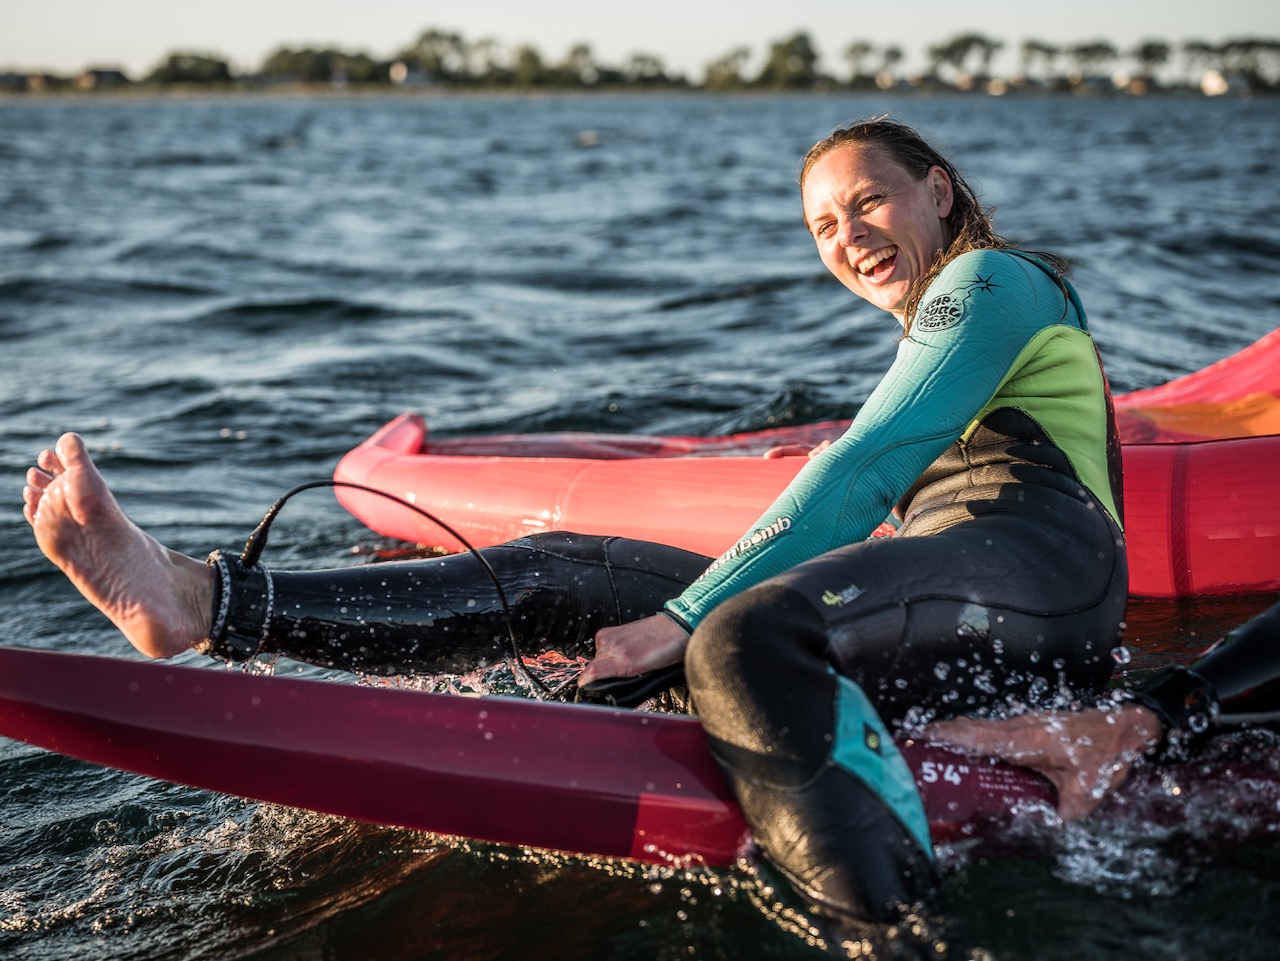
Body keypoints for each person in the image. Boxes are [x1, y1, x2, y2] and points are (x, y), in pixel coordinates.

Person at [23, 118, 1234, 953]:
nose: (850, 235)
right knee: (567, 570)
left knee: (733, 632)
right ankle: (204, 602)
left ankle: (894, 939)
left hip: (1041, 577)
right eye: (822, 225)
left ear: (937, 190)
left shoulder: (994, 281)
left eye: (868, 199)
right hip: (955, 591)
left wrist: (690, 615)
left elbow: (866, 467)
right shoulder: (939, 317)